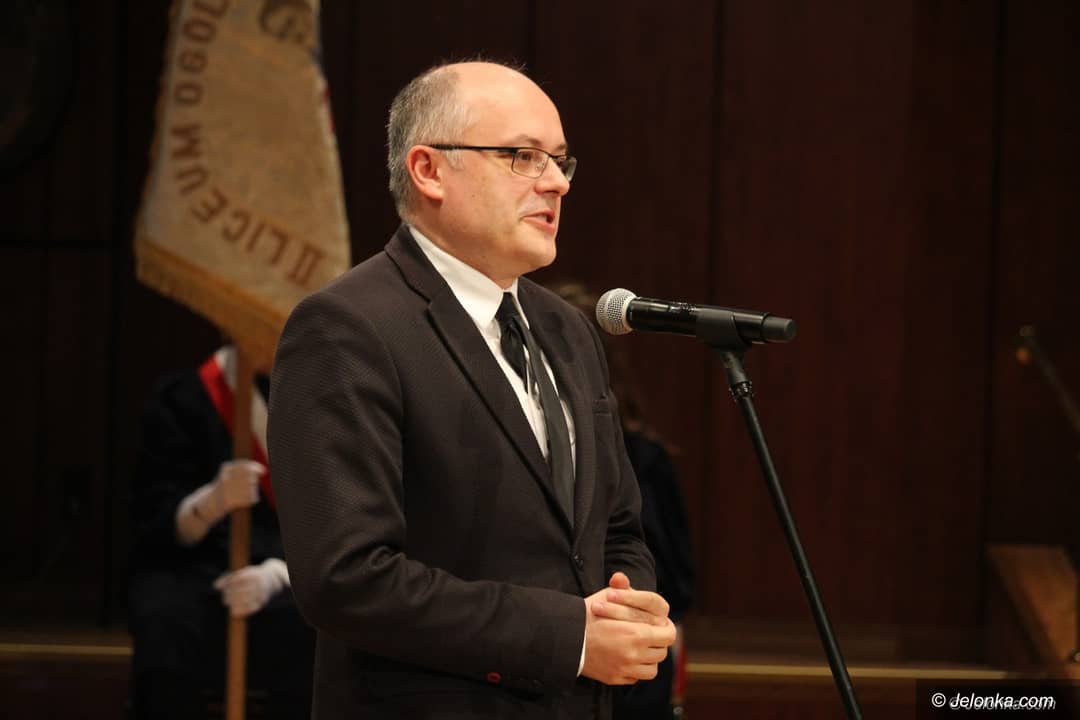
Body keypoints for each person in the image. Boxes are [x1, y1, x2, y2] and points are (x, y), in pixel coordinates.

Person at [268, 60, 676, 719]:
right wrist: (569, 639)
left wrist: (628, 607)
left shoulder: (567, 328)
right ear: (429, 170)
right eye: (522, 156)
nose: (555, 182)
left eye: (560, 161)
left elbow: (619, 525)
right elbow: (346, 579)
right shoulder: (348, 328)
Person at [128, 346, 314, 720]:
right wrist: (210, 502)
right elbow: (153, 517)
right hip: (197, 569)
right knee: (162, 624)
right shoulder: (185, 396)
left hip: (291, 570)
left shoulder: (323, 397)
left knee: (324, 630)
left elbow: (343, 513)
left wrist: (280, 573)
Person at [552, 282, 695, 720]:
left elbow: (677, 578)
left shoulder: (643, 458)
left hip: (633, 658)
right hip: (552, 657)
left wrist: (630, 599)